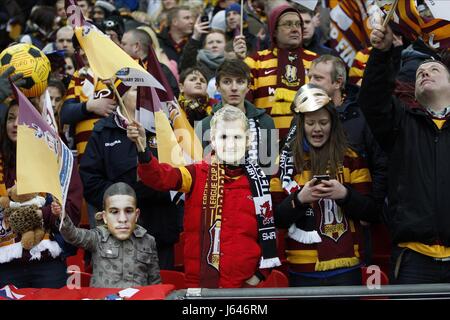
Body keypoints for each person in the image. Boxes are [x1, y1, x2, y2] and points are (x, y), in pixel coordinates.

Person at [127, 106, 281, 288]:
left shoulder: (259, 181)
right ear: (213, 141)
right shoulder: (195, 174)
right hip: (202, 285)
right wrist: (143, 151)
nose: (230, 143)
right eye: (223, 137)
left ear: (248, 141)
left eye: (237, 137)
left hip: (244, 287)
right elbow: (160, 177)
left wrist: (258, 276)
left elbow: (268, 232)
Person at [358, 22, 450, 284]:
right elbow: (373, 100)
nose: (425, 73)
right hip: (413, 260)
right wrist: (382, 52)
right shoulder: (401, 124)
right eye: (420, 72)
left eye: (434, 69)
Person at [272, 84, 379, 286]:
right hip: (302, 269)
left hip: (347, 269)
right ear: (301, 124)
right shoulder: (285, 162)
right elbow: (276, 219)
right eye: (311, 123)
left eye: (323, 122)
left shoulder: (351, 157)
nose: (317, 129)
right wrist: (299, 200)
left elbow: (371, 212)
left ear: (333, 124)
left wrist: (345, 195)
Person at [79, 86, 180, 270]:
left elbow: (176, 175)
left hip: (158, 231)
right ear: (121, 95)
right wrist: (124, 198)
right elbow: (90, 181)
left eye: (147, 90)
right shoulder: (103, 131)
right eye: (135, 89)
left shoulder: (165, 127)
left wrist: (148, 186)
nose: (143, 94)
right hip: (115, 237)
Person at [308, 54, 388, 265]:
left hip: (357, 219)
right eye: (309, 77)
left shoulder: (361, 115)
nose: (309, 83)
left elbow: (381, 165)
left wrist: (372, 210)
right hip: (314, 220)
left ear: (338, 83)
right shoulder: (302, 115)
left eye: (317, 78)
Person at [0, 99, 83, 288]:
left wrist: (41, 215)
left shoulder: (57, 159)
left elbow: (72, 210)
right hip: (5, 265)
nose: (14, 124)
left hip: (47, 262)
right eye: (10, 118)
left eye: (22, 119)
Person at [52, 182, 161, 288]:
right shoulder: (97, 237)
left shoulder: (148, 241)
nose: (122, 219)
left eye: (128, 211)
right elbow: (74, 235)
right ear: (104, 217)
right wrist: (63, 216)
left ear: (136, 215)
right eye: (114, 212)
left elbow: (155, 282)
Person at [240, 3, 318, 139]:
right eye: (288, 24)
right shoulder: (255, 62)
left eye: (298, 24)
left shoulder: (316, 62)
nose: (295, 29)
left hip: (307, 145)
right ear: (274, 31)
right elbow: (244, 106)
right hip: (265, 145)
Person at [198, 59, 275, 172]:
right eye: (227, 82)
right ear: (217, 87)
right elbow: (201, 170)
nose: (234, 88)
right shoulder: (204, 125)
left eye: (240, 82)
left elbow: (271, 168)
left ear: (248, 86)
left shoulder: (265, 122)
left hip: (257, 188)